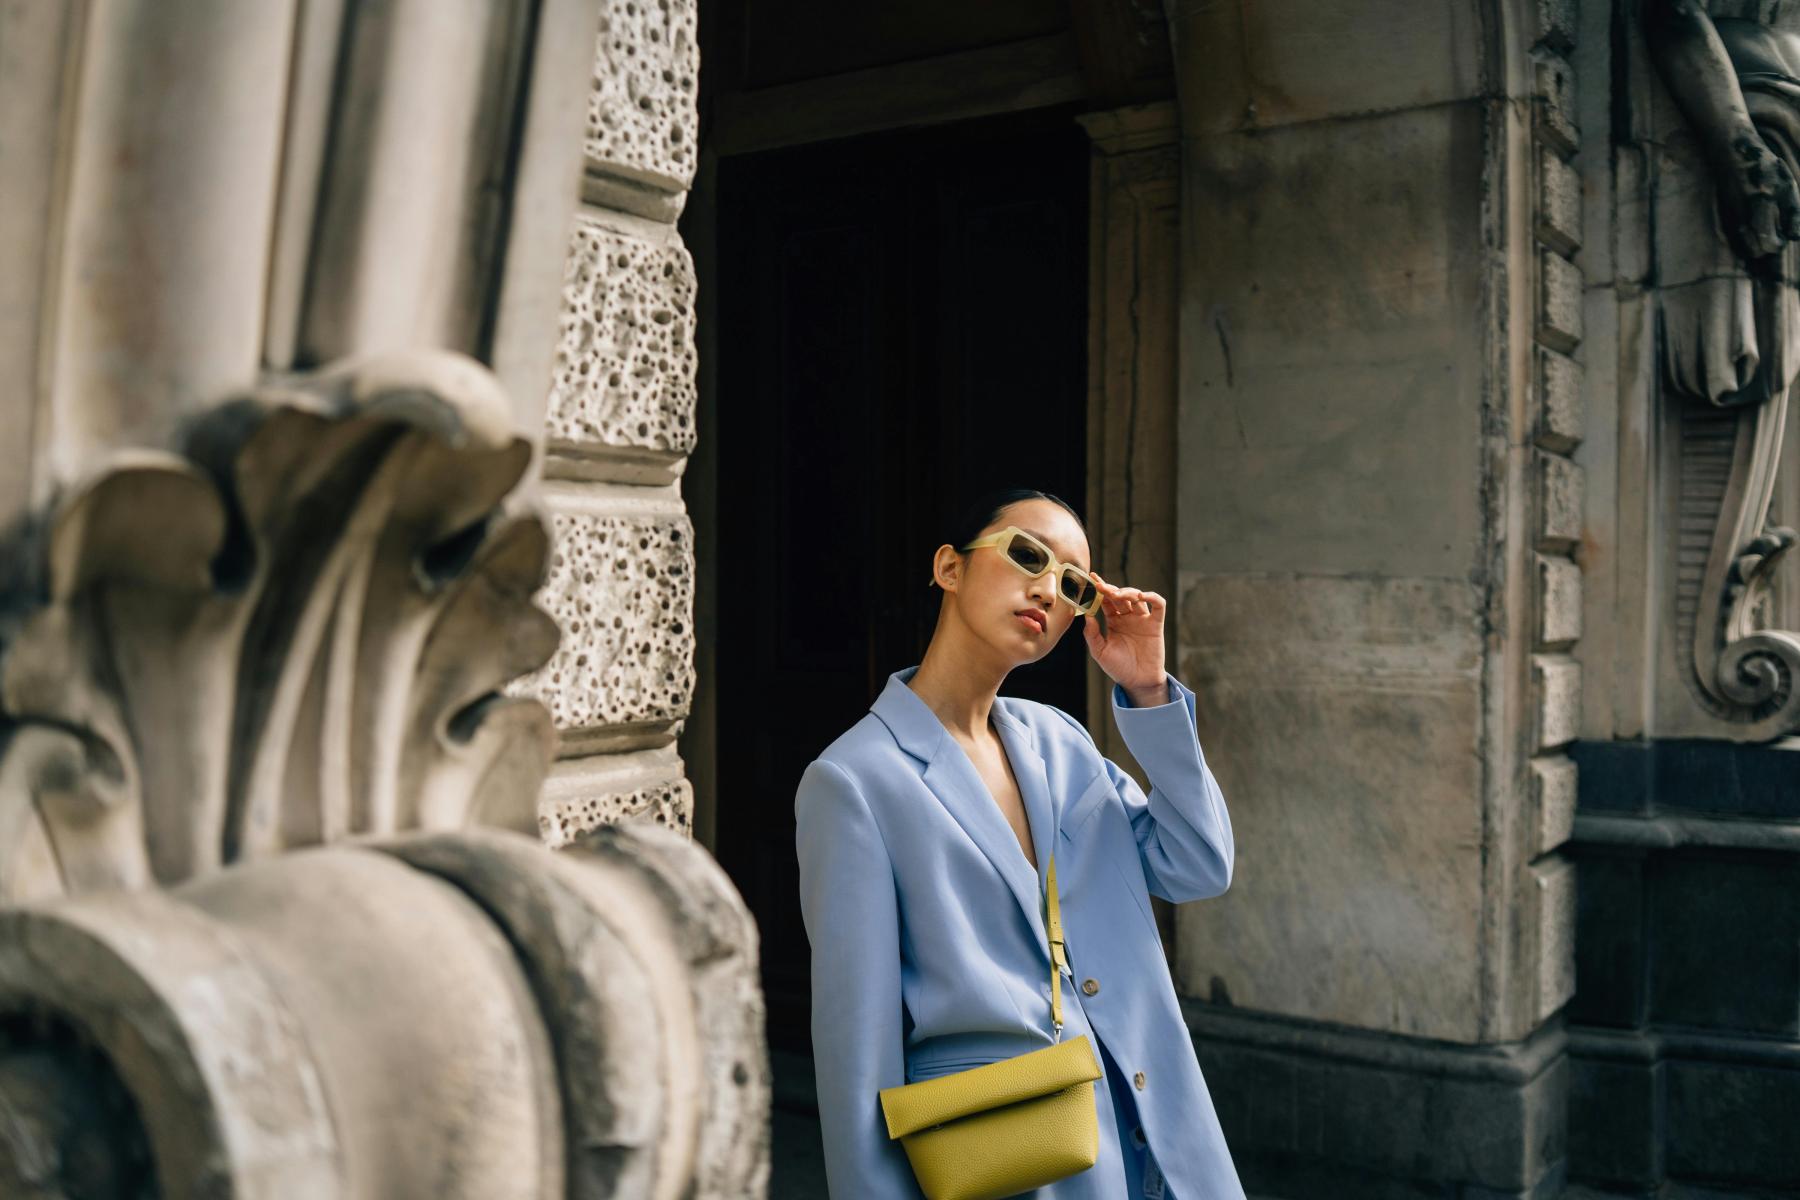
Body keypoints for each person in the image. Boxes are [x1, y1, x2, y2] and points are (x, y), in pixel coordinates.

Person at [793, 487, 1245, 1198]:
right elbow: (857, 1060)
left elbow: (1198, 863)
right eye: (1026, 555)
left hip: (1158, 1143)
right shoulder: (854, 782)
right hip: (1014, 1165)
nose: (1047, 588)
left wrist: (1150, 689)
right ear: (949, 568)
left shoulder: (1060, 743)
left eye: (1072, 585)